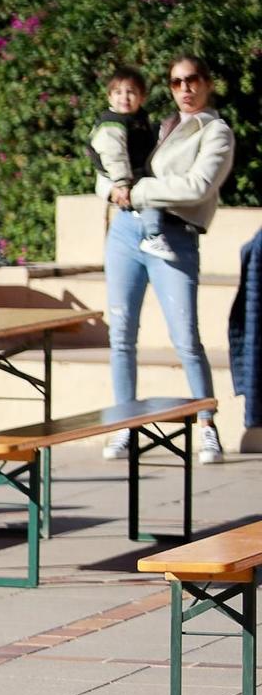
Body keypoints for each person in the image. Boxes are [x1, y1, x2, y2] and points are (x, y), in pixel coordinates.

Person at [103, 54, 235, 464]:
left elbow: (197, 186)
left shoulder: (215, 132)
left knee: (185, 339)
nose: (185, 89)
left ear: (207, 83)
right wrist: (111, 190)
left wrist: (138, 191)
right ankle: (125, 425)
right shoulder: (157, 125)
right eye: (176, 82)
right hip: (126, 230)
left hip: (174, 238)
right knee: (121, 335)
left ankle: (207, 425)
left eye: (192, 80)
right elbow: (114, 164)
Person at [88, 67, 172, 263]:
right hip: (119, 175)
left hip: (130, 172)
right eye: (118, 92)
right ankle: (153, 235)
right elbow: (114, 155)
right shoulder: (112, 124)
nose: (124, 97)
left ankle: (149, 229)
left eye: (131, 92)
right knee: (149, 196)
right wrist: (122, 183)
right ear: (109, 97)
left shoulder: (139, 120)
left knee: (149, 194)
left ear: (142, 97)